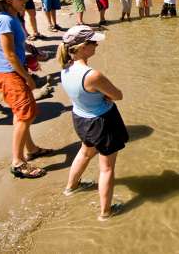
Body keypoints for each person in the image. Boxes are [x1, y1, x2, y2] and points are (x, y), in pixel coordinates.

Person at [58, 25, 129, 221]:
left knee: (85, 152)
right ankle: (106, 212)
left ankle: (71, 187)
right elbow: (118, 95)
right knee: (106, 168)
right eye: (92, 42)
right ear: (81, 47)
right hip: (102, 122)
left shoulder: (65, 68)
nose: (96, 44)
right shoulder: (92, 74)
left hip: (81, 118)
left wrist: (103, 95)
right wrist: (108, 97)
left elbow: (84, 94)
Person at [0, 0, 54, 179]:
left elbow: (17, 45)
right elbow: (9, 54)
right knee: (26, 114)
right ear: (9, 1)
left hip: (12, 71)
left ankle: (31, 149)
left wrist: (32, 52)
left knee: (22, 113)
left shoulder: (13, 17)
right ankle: (17, 162)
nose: (25, 0)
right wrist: (27, 77)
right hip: (9, 73)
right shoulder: (5, 20)